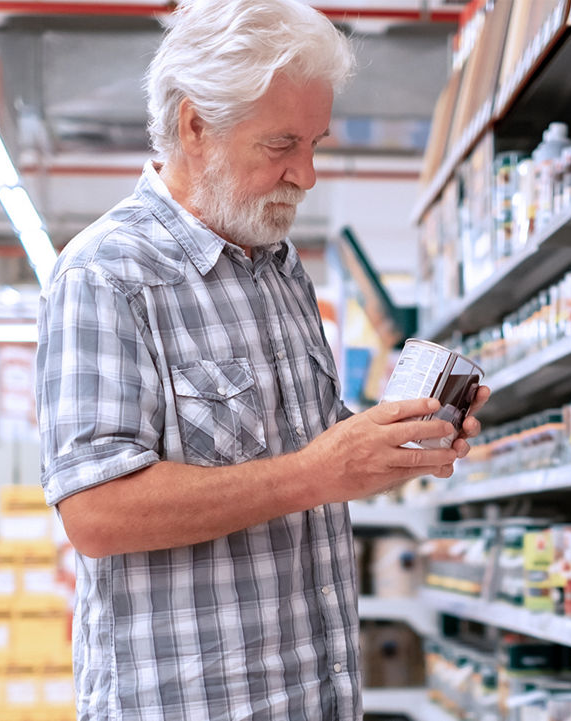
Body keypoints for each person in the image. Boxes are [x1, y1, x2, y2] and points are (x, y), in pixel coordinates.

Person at [35, 1, 489, 718]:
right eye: (281, 144)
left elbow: (304, 450)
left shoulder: (278, 266)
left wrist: (394, 442)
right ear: (195, 127)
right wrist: (317, 472)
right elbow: (97, 510)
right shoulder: (106, 274)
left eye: (314, 142)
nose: (306, 174)